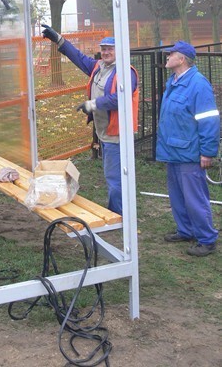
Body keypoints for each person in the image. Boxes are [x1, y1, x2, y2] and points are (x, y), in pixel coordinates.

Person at [41, 25, 138, 215]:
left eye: (110, 49)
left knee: (115, 177)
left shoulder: (126, 72)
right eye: (103, 49)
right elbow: (78, 57)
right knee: (113, 175)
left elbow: (119, 99)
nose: (106, 52)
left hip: (117, 134)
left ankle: (118, 215)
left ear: (119, 52)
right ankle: (119, 211)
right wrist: (58, 39)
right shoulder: (98, 67)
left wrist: (92, 105)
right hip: (105, 131)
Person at [156, 41, 220, 257]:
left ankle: (207, 239)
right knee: (176, 196)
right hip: (173, 150)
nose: (166, 57)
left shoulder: (198, 84)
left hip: (189, 153)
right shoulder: (173, 81)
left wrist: (208, 152)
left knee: (194, 198)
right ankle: (186, 230)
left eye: (170, 54)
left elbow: (209, 120)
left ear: (181, 59)